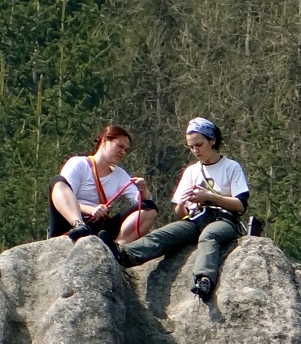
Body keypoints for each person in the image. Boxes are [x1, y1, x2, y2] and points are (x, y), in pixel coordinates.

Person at [98, 117, 250, 301]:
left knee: (209, 236)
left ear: (212, 140)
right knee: (163, 235)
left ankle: (204, 279)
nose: (195, 150)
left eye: (199, 145)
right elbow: (180, 214)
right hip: (195, 219)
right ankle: (125, 255)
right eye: (191, 147)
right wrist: (183, 204)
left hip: (223, 220)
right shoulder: (191, 171)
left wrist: (210, 197)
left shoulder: (231, 167)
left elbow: (240, 205)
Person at [48, 124, 158, 243]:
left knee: (150, 208)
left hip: (98, 226)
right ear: (104, 141)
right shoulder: (78, 164)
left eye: (126, 150)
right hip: (69, 224)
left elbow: (141, 203)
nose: (123, 152)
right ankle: (79, 225)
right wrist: (92, 210)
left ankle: (118, 247)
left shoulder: (121, 175)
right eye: (120, 146)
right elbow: (64, 199)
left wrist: (143, 190)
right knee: (57, 182)